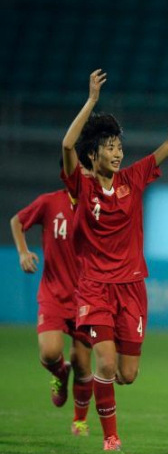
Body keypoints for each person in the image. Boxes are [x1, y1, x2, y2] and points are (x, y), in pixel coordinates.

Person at [61, 69, 168, 451]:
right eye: (109, 146)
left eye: (119, 145)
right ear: (94, 153)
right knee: (105, 365)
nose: (117, 151)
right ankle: (111, 438)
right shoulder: (82, 184)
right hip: (95, 288)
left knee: (127, 374)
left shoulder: (133, 178)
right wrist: (92, 101)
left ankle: (96, 394)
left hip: (132, 288)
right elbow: (66, 145)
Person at [11, 163, 94, 436]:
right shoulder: (49, 202)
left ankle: (79, 421)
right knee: (49, 352)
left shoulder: (97, 207)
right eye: (80, 169)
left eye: (88, 170)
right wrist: (23, 252)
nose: (85, 174)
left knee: (83, 363)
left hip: (87, 298)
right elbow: (17, 221)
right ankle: (59, 373)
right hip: (53, 294)